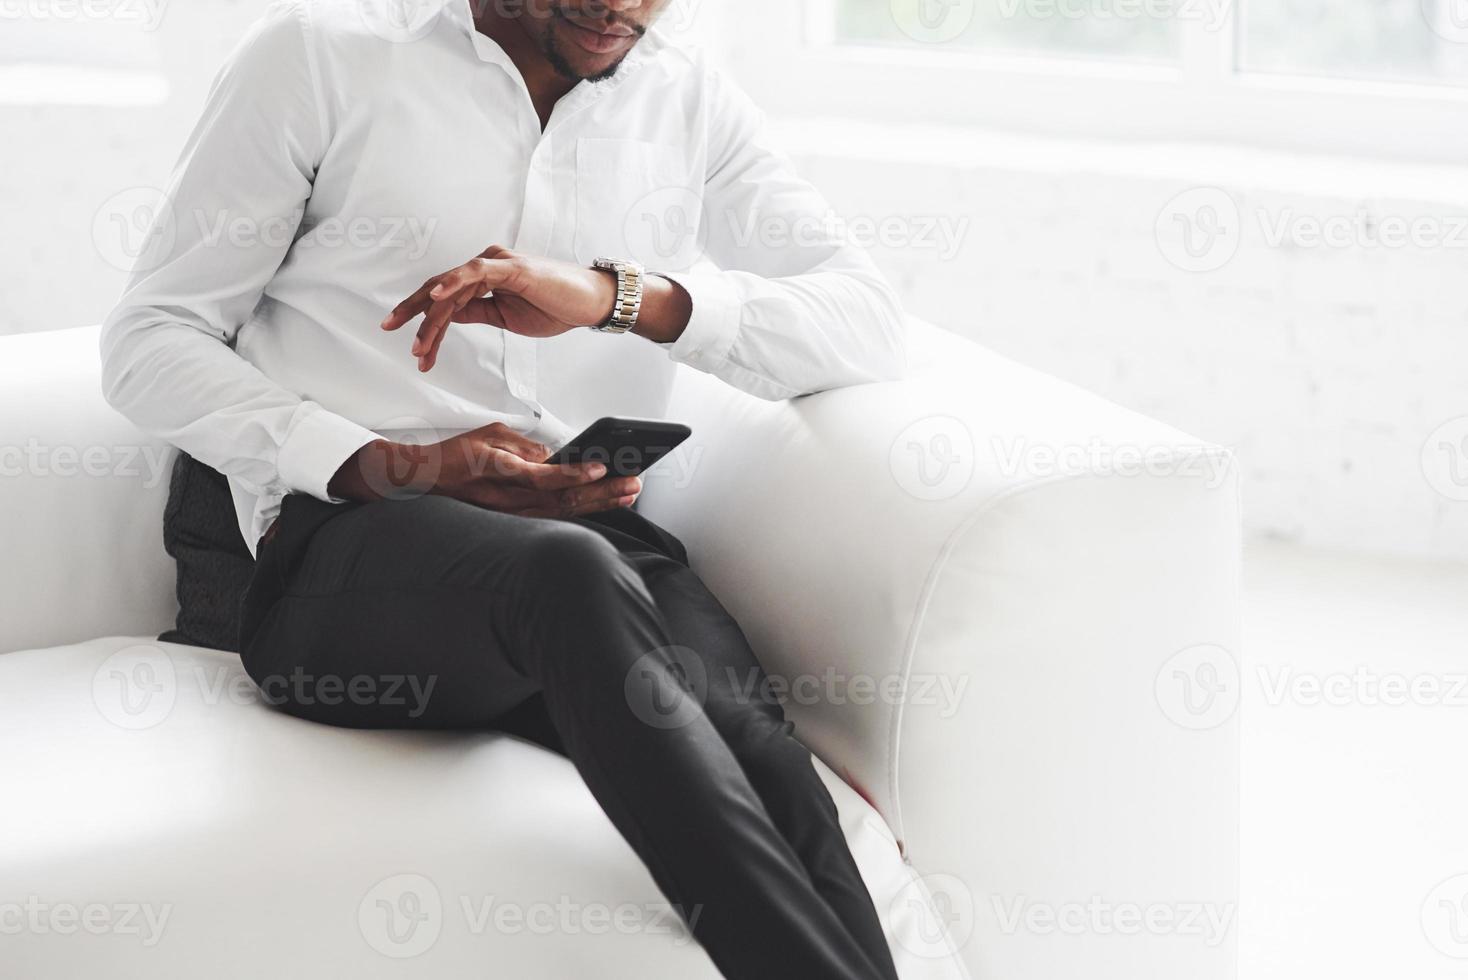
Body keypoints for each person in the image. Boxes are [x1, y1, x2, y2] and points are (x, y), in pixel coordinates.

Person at [100, 2, 907, 977]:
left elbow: (865, 321)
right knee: (564, 573)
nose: (627, 8)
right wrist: (395, 463)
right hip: (349, 547)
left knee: (759, 747)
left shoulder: (683, 94)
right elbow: (148, 343)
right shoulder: (320, 57)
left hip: (591, 554)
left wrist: (616, 299)